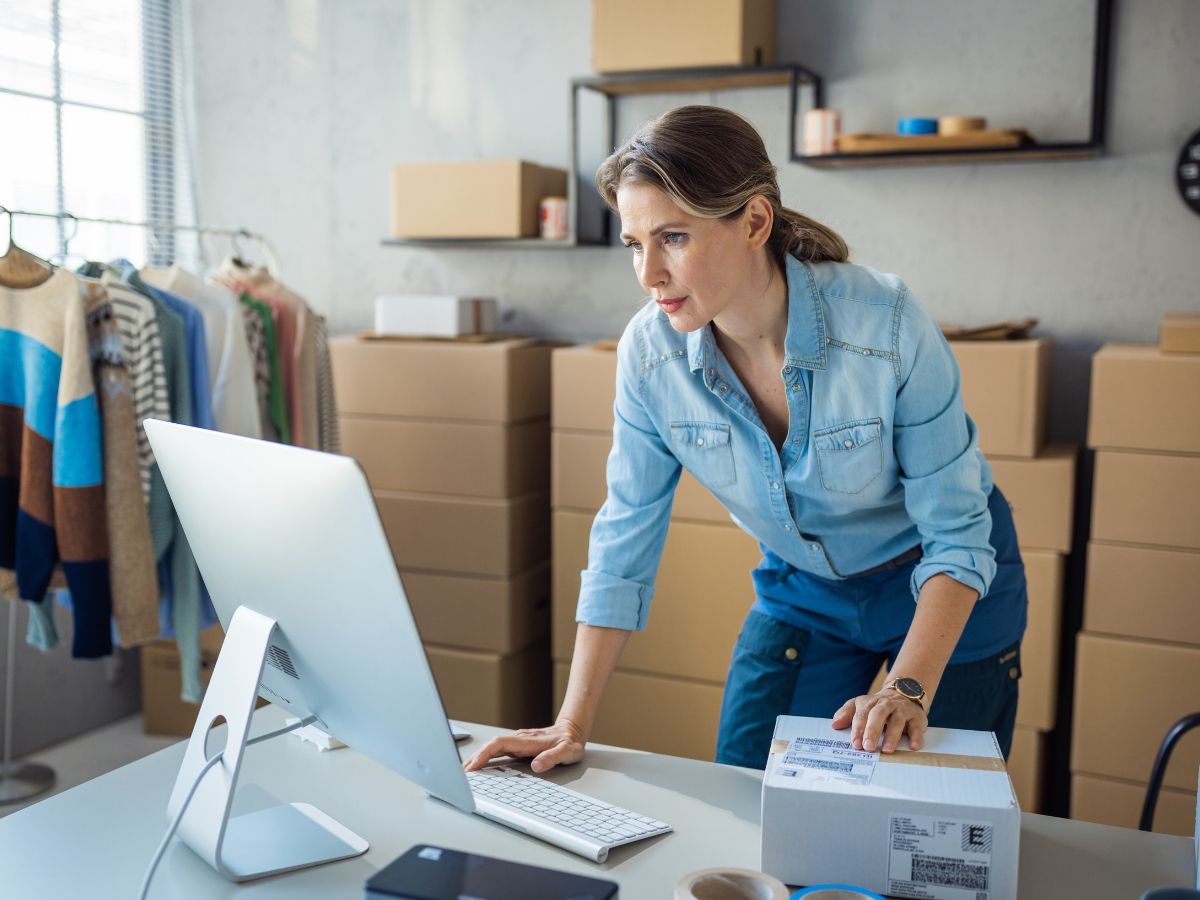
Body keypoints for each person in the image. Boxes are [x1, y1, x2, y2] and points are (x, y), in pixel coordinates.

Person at [465, 105, 1027, 775]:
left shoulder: (886, 324)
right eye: (634, 244)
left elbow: (959, 536)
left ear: (755, 221)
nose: (648, 275)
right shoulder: (650, 356)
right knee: (746, 789)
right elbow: (624, 537)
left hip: (946, 587)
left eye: (672, 237)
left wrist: (906, 689)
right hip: (805, 590)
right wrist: (571, 722)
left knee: (920, 837)